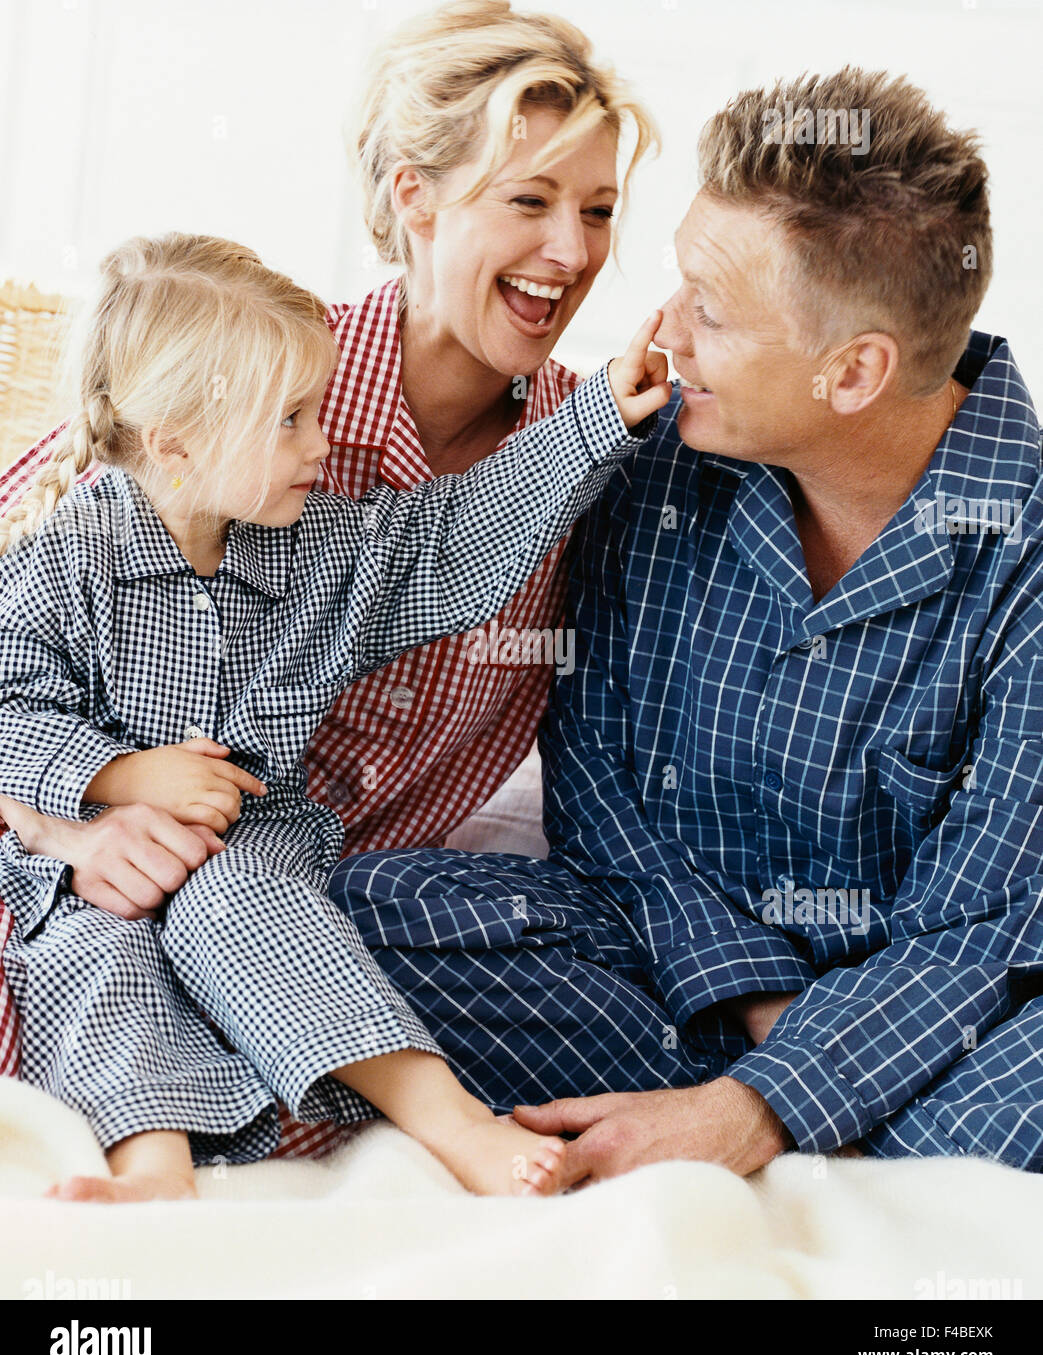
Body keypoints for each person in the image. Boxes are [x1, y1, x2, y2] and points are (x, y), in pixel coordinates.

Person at [329, 67, 1043, 1182]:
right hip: (669, 969)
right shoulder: (656, 459)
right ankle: (811, 1116)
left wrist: (762, 1104)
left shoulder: (1023, 556)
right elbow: (594, 766)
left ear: (852, 370)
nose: (663, 330)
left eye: (708, 311)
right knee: (343, 913)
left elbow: (984, 921)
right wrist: (753, 1007)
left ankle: (818, 1117)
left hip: (944, 1011)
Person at [0, 0, 659, 1164]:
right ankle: (155, 1171)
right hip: (78, 876)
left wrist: (608, 408)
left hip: (329, 904)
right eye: (529, 199)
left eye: (598, 209)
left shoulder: (581, 459)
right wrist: (77, 809)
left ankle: (340, 1103)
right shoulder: (232, 388)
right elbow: (18, 645)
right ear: (413, 196)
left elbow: (462, 538)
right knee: (75, 957)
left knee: (590, 997)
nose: (573, 250)